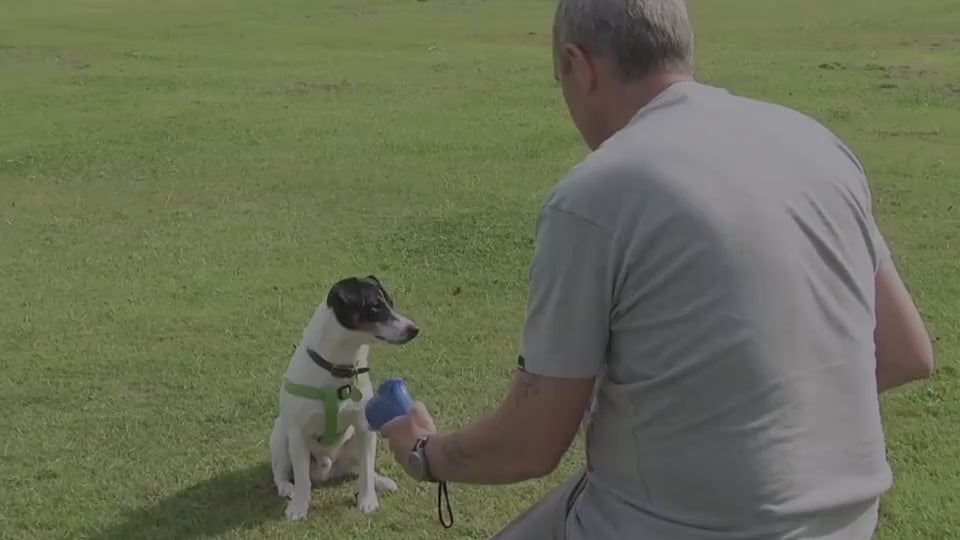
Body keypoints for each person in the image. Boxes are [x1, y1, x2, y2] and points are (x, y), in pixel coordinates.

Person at [380, 0, 935, 538]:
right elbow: (905, 352)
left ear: (578, 65)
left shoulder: (597, 193)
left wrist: (424, 452)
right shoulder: (817, 145)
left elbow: (530, 443)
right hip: (845, 522)